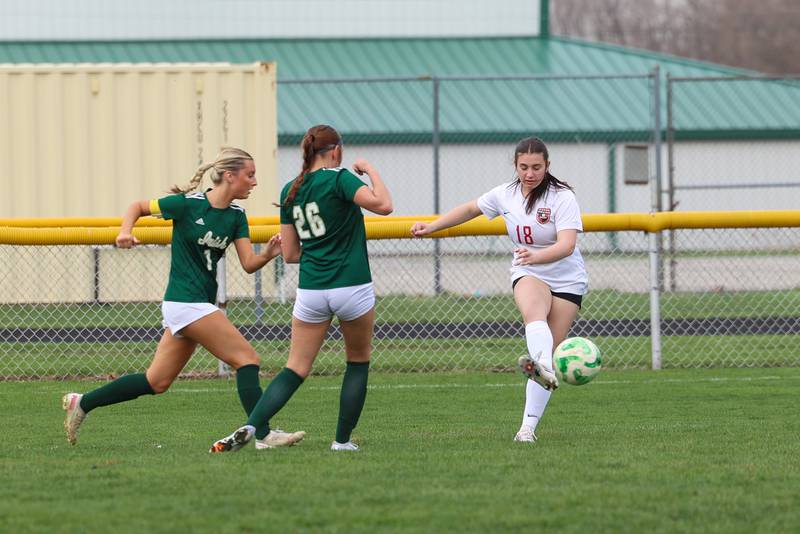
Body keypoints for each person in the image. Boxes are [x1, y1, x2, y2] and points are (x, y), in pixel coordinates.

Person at [62, 147, 305, 450]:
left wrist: (268, 254)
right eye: (250, 174)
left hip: (198, 304)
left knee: (156, 382)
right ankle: (264, 434)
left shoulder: (237, 216)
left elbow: (247, 264)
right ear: (229, 176)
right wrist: (125, 232)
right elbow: (136, 206)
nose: (254, 182)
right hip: (184, 301)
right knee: (248, 360)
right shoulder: (187, 205)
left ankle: (82, 402)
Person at [210, 124, 393, 453]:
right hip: (351, 284)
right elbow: (384, 205)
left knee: (295, 368)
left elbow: (291, 254)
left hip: (311, 288)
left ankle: (253, 427)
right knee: (357, 362)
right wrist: (370, 170)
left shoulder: (289, 191)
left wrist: (321, 249)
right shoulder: (340, 178)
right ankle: (341, 441)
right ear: (335, 151)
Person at [410, 137, 588, 443]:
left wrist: (538, 254)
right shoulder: (505, 194)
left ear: (547, 166)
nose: (530, 173)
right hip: (528, 271)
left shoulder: (562, 197)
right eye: (523, 167)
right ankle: (541, 371)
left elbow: (567, 245)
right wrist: (432, 226)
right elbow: (469, 209)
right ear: (515, 166)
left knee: (545, 356)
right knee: (535, 318)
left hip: (567, 279)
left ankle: (527, 428)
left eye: (536, 167)